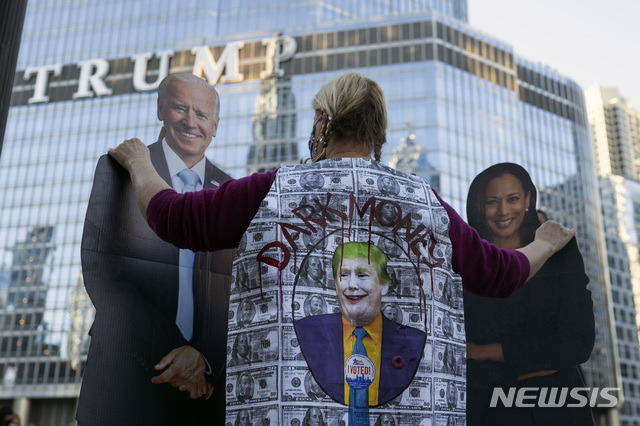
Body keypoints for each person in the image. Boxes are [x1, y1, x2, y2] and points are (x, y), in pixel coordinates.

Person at [108, 72, 576, 423]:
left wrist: (139, 162)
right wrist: (545, 243)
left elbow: (175, 218)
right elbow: (500, 273)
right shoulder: (424, 201)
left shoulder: (274, 187)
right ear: (378, 134)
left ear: (324, 121)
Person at [76, 73, 235, 425]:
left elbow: (235, 291)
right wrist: (178, 357)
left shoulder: (230, 192)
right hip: (125, 381)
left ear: (216, 125)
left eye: (202, 115)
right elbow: (103, 272)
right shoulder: (119, 170)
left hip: (204, 394)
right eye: (180, 108)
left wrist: (204, 359)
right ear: (161, 109)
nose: (191, 122)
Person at [463, 163, 595, 425]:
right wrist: (534, 362)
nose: (503, 211)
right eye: (492, 202)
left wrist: (483, 351)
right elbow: (459, 354)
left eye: (512, 199)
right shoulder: (468, 261)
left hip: (556, 410)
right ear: (479, 206)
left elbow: (577, 342)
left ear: (528, 199)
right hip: (487, 412)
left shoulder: (559, 250)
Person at [295, 242, 426, 406]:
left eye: (362, 275)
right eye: (343, 275)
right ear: (336, 285)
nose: (352, 285)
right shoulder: (305, 331)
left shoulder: (415, 341)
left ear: (384, 285)